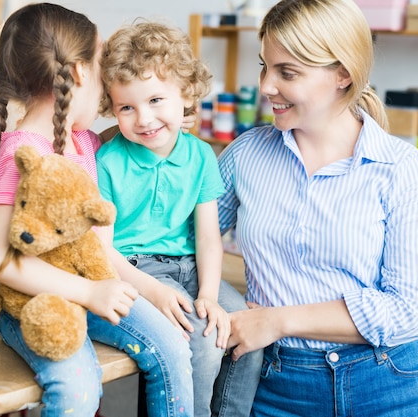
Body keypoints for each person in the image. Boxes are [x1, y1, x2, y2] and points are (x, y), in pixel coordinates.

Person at [219, 0, 418, 416]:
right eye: (264, 66)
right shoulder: (245, 155)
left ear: (343, 74)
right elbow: (180, 240)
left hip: (387, 384)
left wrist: (278, 320)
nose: (267, 86)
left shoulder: (398, 167)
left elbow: (409, 312)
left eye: (287, 72)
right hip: (276, 386)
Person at [0, 4, 194, 417]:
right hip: (32, 300)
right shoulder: (20, 153)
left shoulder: (86, 144)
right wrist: (91, 293)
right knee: (78, 389)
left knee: (171, 345)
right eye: (101, 65)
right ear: (79, 72)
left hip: (93, 286)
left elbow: (97, 247)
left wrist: (163, 118)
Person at [96, 21, 262, 417]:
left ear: (185, 95)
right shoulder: (106, 161)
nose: (144, 119)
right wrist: (151, 290)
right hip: (135, 271)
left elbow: (207, 238)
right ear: (112, 108)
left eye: (156, 100)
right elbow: (102, 251)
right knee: (204, 339)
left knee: (245, 329)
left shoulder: (201, 156)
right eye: (127, 107)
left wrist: (207, 293)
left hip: (189, 267)